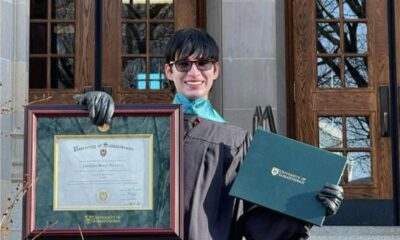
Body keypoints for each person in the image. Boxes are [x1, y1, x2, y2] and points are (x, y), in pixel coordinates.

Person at [77, 28, 343, 240]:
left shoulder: (236, 142)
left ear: (215, 70)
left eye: (203, 63)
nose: (194, 72)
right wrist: (86, 114)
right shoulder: (143, 130)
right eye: (183, 64)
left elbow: (256, 222)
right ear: (169, 71)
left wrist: (307, 207)